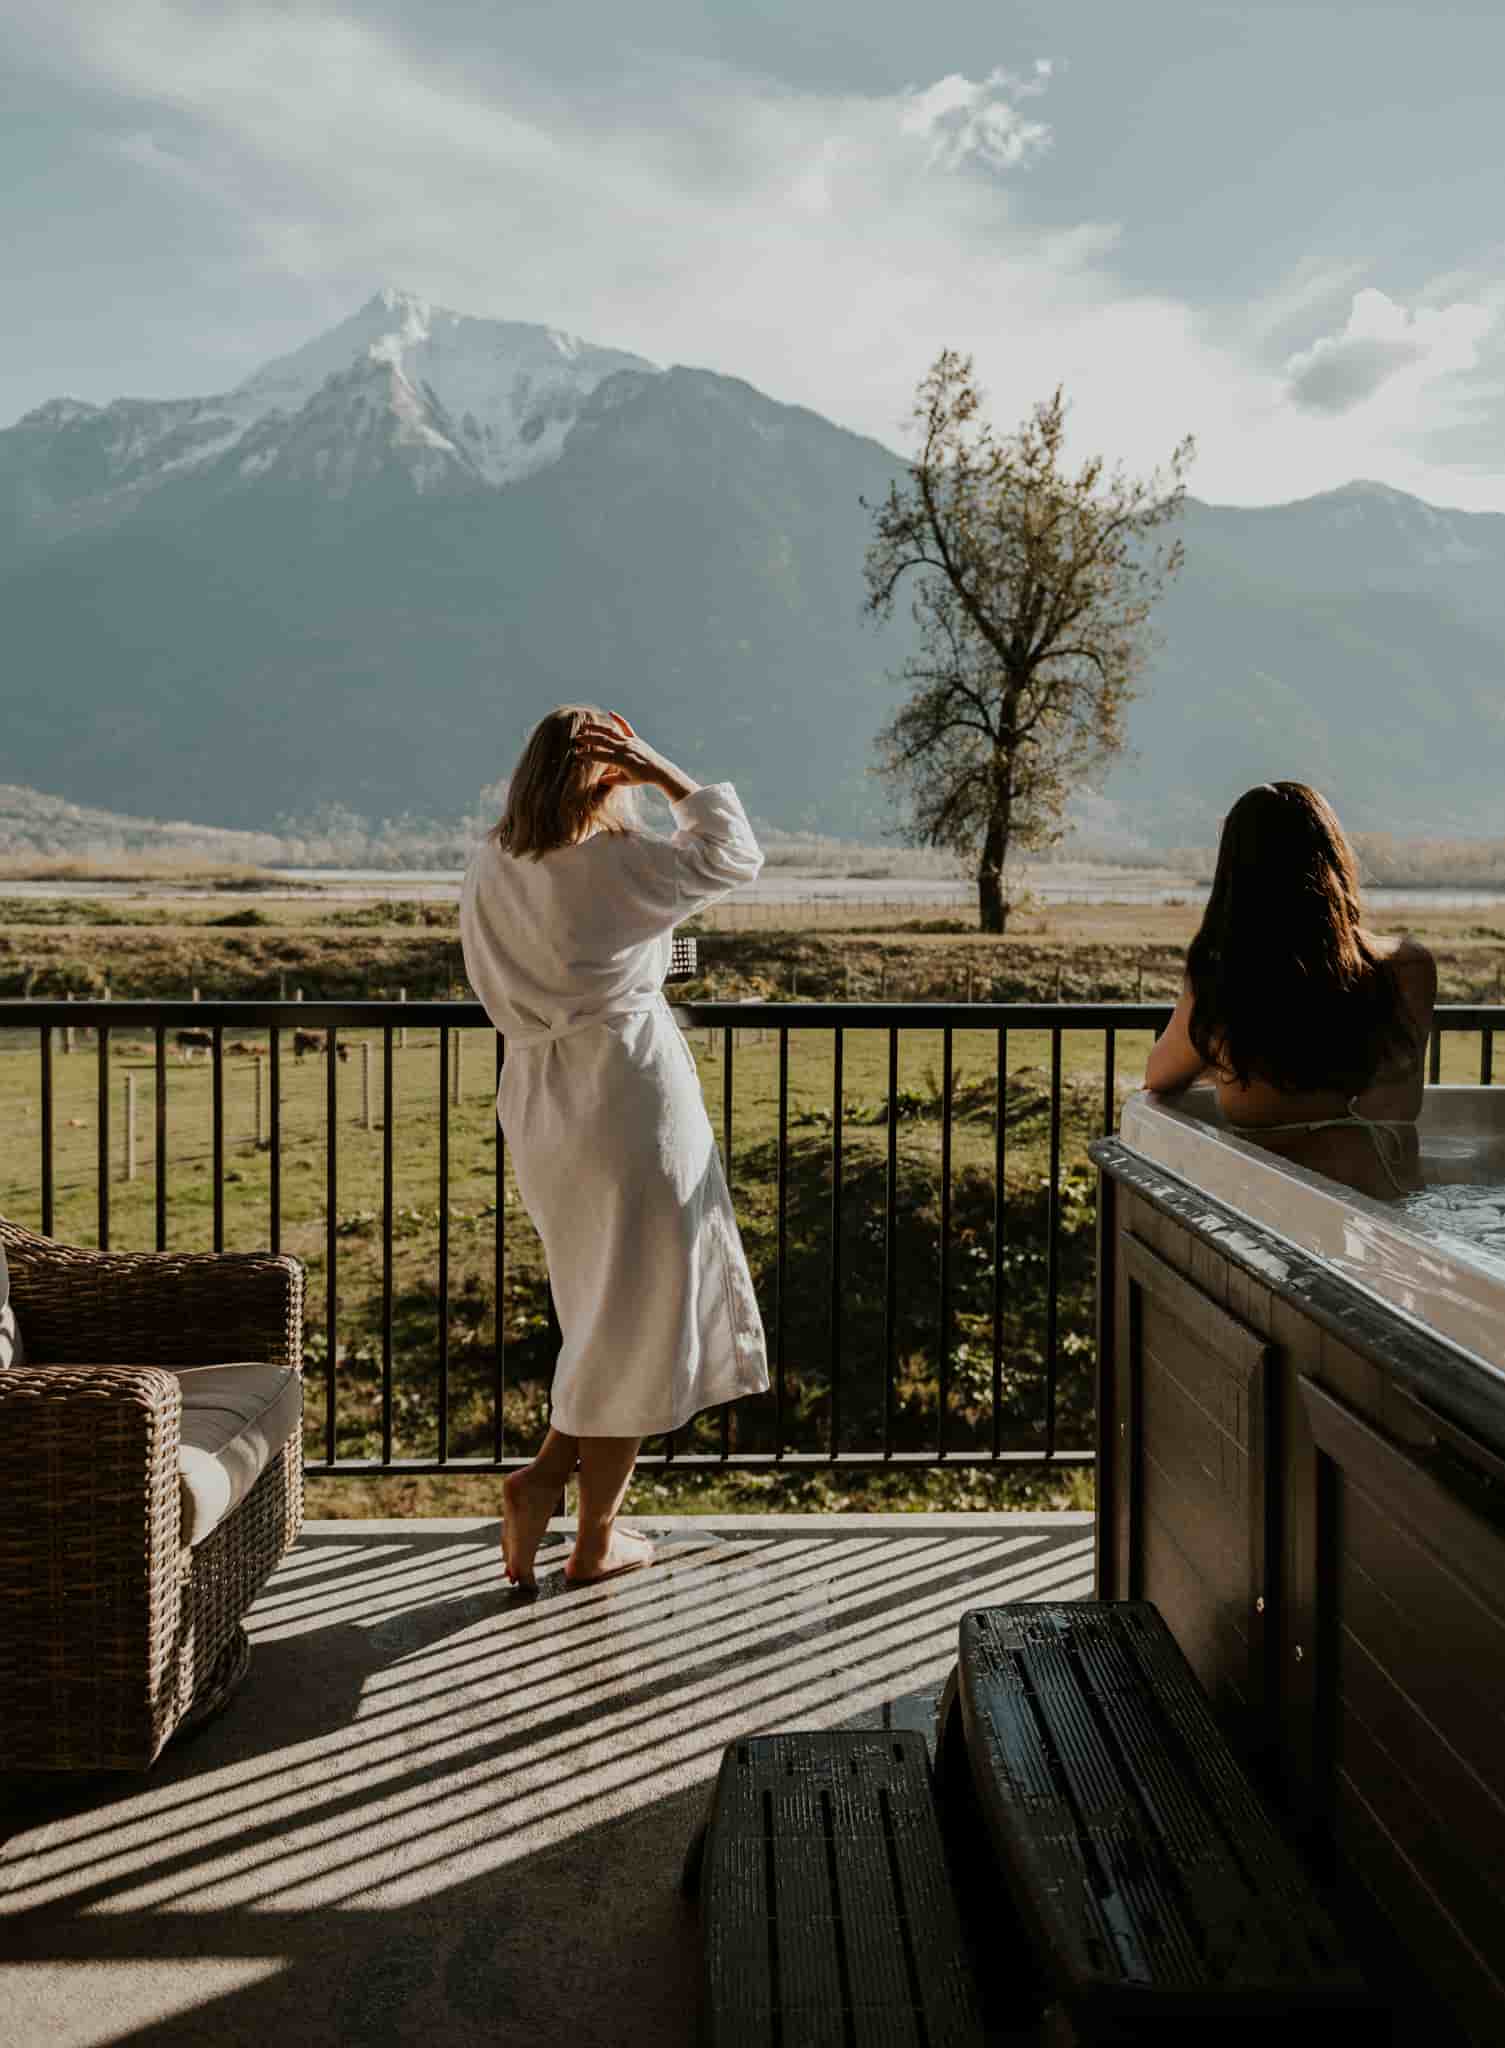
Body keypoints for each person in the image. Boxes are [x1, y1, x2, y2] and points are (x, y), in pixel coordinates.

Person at [460, 706, 770, 1588]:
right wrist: (666, 772)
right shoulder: (615, 864)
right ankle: (584, 1532)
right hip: (628, 1096)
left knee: (602, 1308)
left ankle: (559, 1490)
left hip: (541, 1099)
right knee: (637, 1315)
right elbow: (730, 856)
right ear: (609, 769)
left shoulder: (494, 862)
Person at [1144, 781, 1437, 1201]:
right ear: (1335, 857)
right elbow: (1396, 1107)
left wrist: (1215, 1055)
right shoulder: (1409, 967)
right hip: (1387, 1198)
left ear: (1234, 872)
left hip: (1277, 1208)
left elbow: (1158, 1075)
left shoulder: (1224, 977)